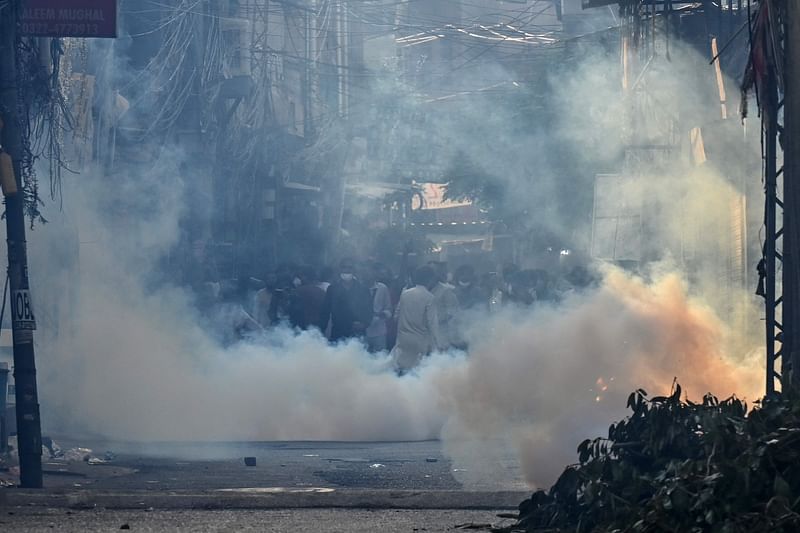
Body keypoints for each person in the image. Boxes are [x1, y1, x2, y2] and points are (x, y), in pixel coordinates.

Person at [390, 265, 442, 374]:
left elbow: (396, 315)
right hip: (419, 341)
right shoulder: (430, 297)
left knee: (401, 369)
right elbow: (432, 323)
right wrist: (438, 344)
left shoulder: (405, 293)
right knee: (416, 372)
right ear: (430, 279)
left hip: (402, 340)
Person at [319, 258, 373, 342]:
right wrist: (320, 332)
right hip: (337, 333)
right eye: (344, 267)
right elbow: (325, 312)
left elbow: (369, 311)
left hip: (357, 335)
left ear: (354, 270)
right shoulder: (332, 289)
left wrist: (364, 324)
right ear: (340, 269)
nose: (347, 270)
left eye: (350, 267)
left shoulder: (363, 290)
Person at [362, 262, 393, 352]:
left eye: (370, 272)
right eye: (365, 272)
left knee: (379, 359)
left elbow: (389, 309)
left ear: (375, 273)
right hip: (363, 332)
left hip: (379, 332)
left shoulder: (383, 288)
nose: (368, 274)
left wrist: (382, 314)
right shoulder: (359, 287)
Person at [428, 261, 459, 348]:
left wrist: (436, 321)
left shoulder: (446, 290)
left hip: (443, 335)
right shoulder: (423, 291)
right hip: (427, 336)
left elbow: (452, 312)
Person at [288, 265, 327, 331]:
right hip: (318, 326)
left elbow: (291, 309)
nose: (300, 279)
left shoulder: (298, 291)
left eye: (301, 276)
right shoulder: (321, 292)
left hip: (302, 326)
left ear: (305, 277)